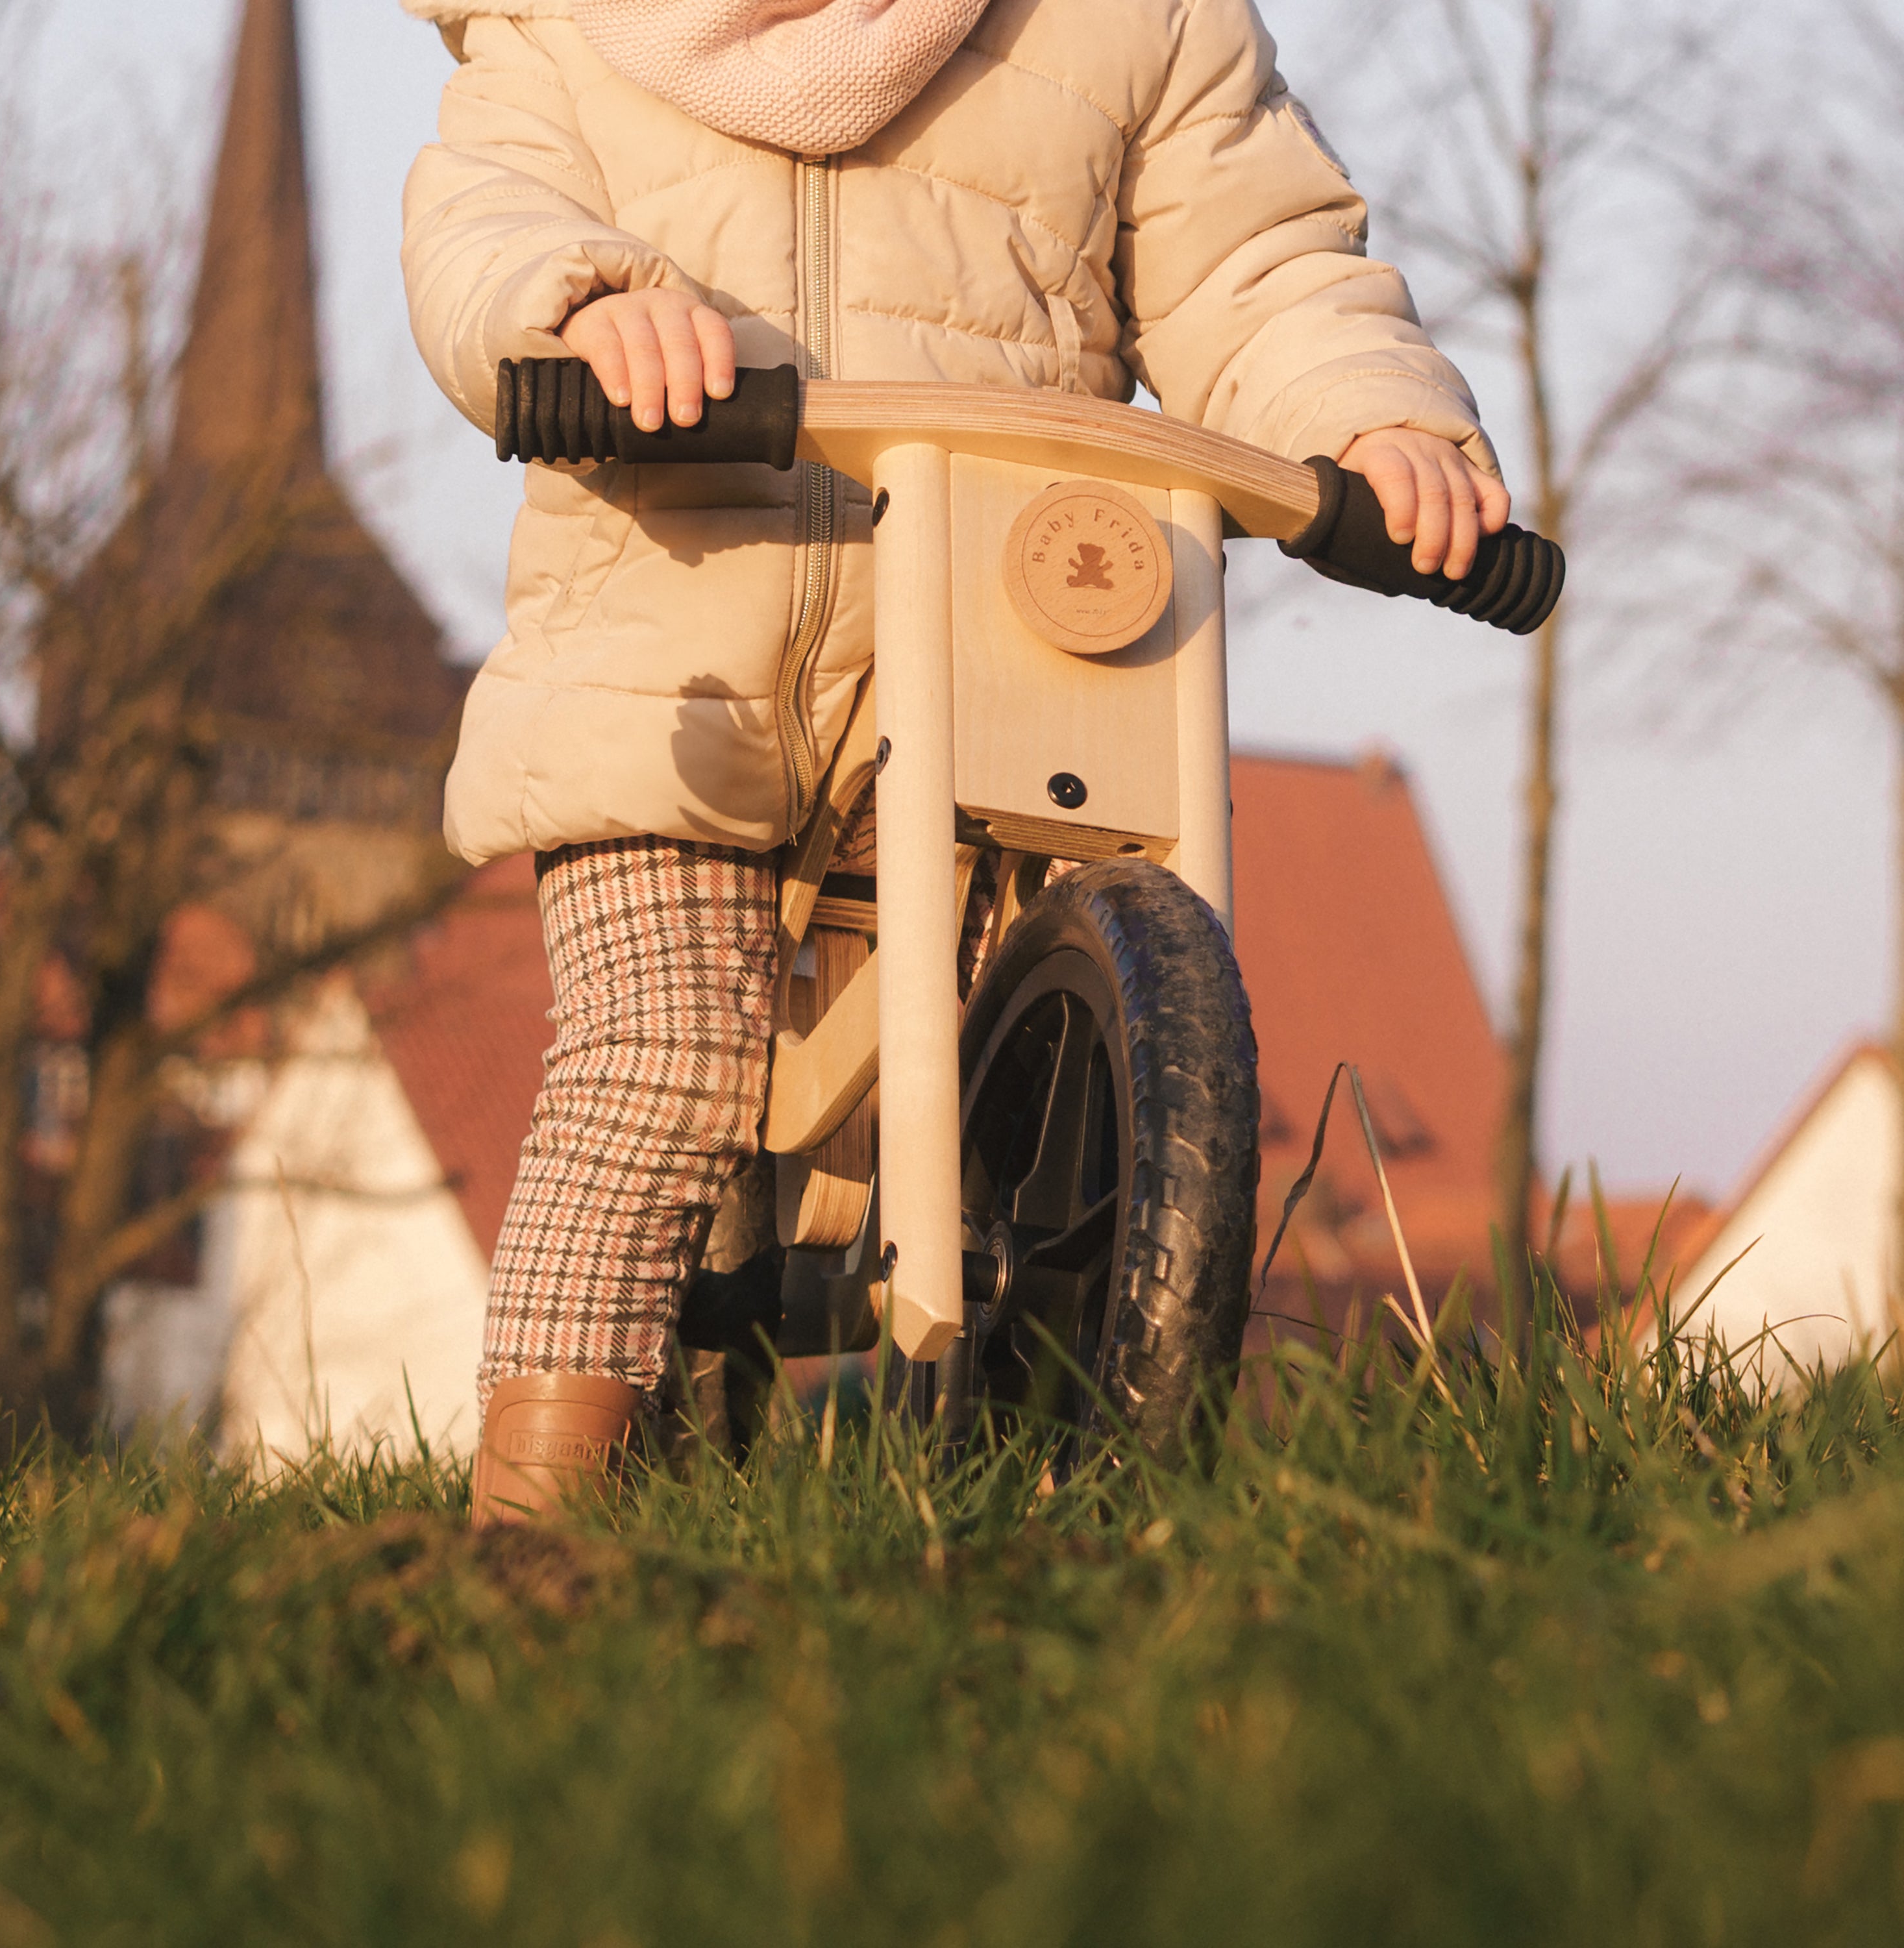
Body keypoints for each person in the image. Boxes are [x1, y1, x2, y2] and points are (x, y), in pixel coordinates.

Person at [400, 0, 1511, 1524]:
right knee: (657, 1057)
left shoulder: (1139, 23)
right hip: (683, 669)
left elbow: (1258, 262)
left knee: (1068, 1069)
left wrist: (1373, 419)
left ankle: (1058, 1481)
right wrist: (580, 304)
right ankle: (535, 1522)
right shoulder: (573, 29)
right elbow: (484, 215)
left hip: (1019, 655)